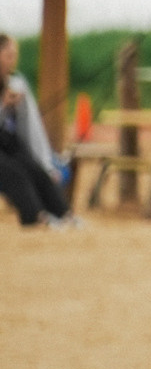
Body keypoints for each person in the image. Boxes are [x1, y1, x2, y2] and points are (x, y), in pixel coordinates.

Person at [0, 34, 77, 229]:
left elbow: (31, 128)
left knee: (35, 170)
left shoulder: (16, 84)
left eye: (14, 55)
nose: (12, 61)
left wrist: (47, 163)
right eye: (8, 55)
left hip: (8, 142)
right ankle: (35, 217)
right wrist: (3, 105)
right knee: (15, 174)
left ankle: (63, 213)